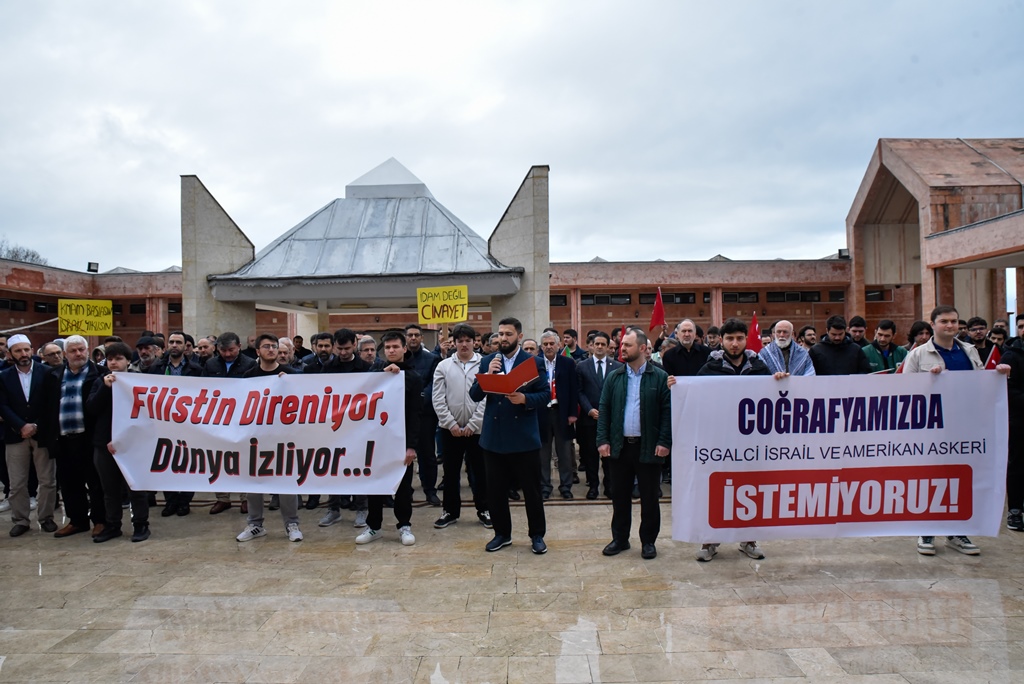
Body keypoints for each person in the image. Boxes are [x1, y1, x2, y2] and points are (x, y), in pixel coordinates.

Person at [903, 305, 1009, 555]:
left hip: (965, 425)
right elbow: (905, 391)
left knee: (960, 477)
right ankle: (927, 531)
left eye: (953, 321)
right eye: (944, 321)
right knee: (930, 478)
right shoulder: (918, 355)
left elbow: (981, 384)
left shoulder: (969, 351)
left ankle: (956, 532)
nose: (949, 325)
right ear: (933, 324)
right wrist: (930, 381)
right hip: (932, 428)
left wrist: (999, 375)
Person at [694, 318, 775, 562]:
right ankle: (710, 540)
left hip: (752, 443)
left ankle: (748, 539)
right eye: (730, 339)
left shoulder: (759, 367)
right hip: (719, 442)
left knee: (751, 490)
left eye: (739, 338)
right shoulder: (710, 368)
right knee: (717, 490)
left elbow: (772, 397)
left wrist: (781, 381)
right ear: (722, 340)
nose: (735, 343)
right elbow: (695, 395)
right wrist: (677, 386)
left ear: (746, 339)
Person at [469, 317, 550, 554]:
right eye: (500, 334)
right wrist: (488, 375)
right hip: (494, 437)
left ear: (519, 336)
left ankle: (537, 535)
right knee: (495, 491)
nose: (503, 338)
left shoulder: (533, 362)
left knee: (531, 491)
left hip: (524, 437)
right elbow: (474, 395)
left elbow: (545, 394)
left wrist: (525, 398)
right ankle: (502, 534)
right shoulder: (488, 361)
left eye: (508, 334)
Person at [597, 329, 671, 560]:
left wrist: (664, 441)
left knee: (649, 497)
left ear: (642, 348)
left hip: (649, 446)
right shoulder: (614, 377)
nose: (622, 349)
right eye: (622, 345)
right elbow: (604, 409)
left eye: (627, 345)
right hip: (619, 447)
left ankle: (648, 541)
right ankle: (620, 539)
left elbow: (667, 412)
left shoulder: (659, 377)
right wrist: (603, 440)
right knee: (619, 496)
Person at [356, 330, 421, 546]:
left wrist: (411, 446)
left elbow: (415, 414)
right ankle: (374, 526)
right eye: (388, 347)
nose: (391, 351)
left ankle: (404, 525)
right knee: (375, 485)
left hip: (401, 441)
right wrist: (383, 376)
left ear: (404, 348)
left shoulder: (413, 377)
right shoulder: (375, 373)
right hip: (376, 441)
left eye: (395, 347)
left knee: (403, 487)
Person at [236, 334, 303, 543]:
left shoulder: (290, 374)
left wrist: (289, 385)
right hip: (256, 437)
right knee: (254, 482)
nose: (272, 350)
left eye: (274, 346)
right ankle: (255, 524)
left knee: (286, 481)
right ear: (257, 351)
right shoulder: (249, 376)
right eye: (267, 346)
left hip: (284, 437)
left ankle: (291, 524)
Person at [43, 335, 107, 538]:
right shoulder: (53, 375)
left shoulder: (101, 374)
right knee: (69, 483)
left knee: (95, 482)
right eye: (73, 351)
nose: (78, 354)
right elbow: (47, 406)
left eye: (81, 349)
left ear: (88, 350)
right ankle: (77, 521)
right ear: (65, 354)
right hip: (63, 438)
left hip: (90, 437)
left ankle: (100, 520)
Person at [88, 342, 151, 542]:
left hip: (133, 444)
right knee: (110, 489)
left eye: (118, 359)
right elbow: (91, 409)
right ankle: (113, 525)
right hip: (104, 443)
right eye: (110, 359)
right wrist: (105, 388)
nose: (114, 362)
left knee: (136, 487)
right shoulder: (100, 382)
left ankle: (141, 524)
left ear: (128, 361)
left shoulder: (139, 382)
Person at [431, 323, 489, 530]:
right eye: (460, 341)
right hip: (451, 430)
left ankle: (484, 509)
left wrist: (474, 423)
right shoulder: (443, 366)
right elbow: (438, 398)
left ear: (474, 342)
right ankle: (450, 511)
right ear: (454, 343)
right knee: (450, 472)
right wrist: (450, 423)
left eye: (468, 340)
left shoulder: (484, 364)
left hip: (477, 429)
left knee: (480, 472)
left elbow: (486, 397)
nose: (464, 344)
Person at [0, 334, 58, 537]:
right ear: (10, 353)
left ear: (32, 350)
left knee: (47, 480)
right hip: (15, 435)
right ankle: (21, 520)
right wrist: (21, 426)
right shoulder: (3, 376)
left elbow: (52, 404)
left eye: (26, 349)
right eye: (18, 351)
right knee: (17, 483)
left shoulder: (47, 372)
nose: (23, 354)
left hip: (42, 434)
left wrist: (36, 425)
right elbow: (3, 405)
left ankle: (46, 517)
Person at [314, 329, 372, 525]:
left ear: (355, 345)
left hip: (359, 425)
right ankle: (333, 508)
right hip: (335, 425)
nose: (344, 352)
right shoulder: (328, 368)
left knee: (359, 467)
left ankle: (361, 508)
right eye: (339, 349)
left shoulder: (365, 368)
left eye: (347, 348)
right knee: (333, 467)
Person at [147, 331, 203, 517]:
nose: (174, 345)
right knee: (166, 461)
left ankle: (184, 501)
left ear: (185, 346)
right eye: (171, 342)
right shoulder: (156, 367)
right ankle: (170, 501)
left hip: (189, 422)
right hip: (164, 422)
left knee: (188, 462)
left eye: (178, 342)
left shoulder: (196, 369)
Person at [203, 332, 256, 514]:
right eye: (223, 350)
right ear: (217, 349)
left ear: (239, 346)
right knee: (218, 458)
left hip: (242, 418)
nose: (227, 354)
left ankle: (245, 498)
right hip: (217, 418)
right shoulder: (210, 364)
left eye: (231, 350)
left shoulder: (250, 364)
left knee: (244, 458)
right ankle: (222, 498)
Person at [577, 331, 621, 500]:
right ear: (592, 346)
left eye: (603, 344)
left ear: (609, 347)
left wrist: (608, 411)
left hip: (610, 419)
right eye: (597, 344)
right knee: (590, 455)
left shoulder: (617, 367)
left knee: (609, 455)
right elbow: (579, 391)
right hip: (589, 418)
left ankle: (609, 486)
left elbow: (619, 391)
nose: (600, 347)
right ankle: (593, 486)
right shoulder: (582, 366)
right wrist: (589, 410)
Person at [538, 331, 580, 500]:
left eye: (551, 344)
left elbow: (574, 389)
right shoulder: (535, 363)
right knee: (543, 453)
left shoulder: (567, 363)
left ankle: (566, 486)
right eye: (545, 344)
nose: (548, 347)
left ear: (558, 345)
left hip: (561, 412)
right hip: (542, 412)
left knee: (564, 453)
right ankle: (545, 486)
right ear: (541, 347)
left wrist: (573, 413)